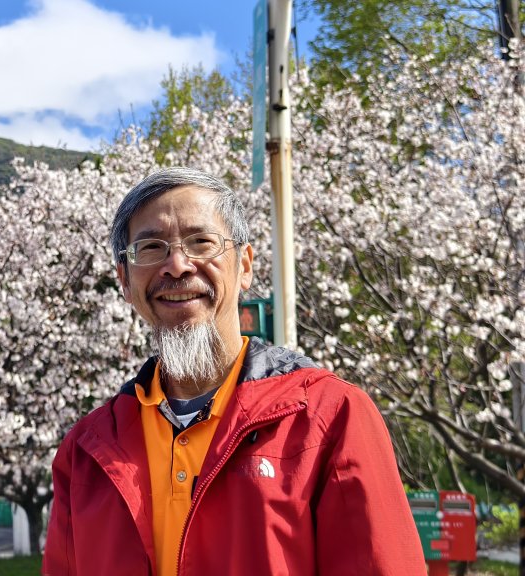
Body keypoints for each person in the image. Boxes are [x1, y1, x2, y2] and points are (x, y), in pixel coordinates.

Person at [42, 168, 425, 575]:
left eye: (201, 242)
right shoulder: (86, 451)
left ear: (244, 265)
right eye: (151, 247)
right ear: (125, 280)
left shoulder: (330, 416)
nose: (177, 265)